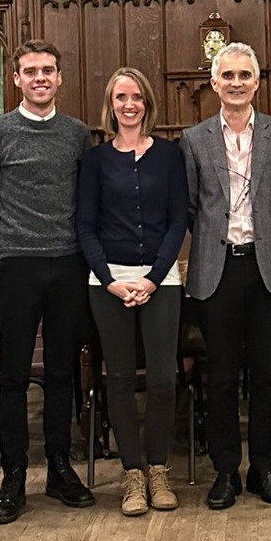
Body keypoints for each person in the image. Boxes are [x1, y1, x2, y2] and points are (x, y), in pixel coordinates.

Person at [0, 41, 93, 525]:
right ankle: (14, 476)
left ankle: (60, 468)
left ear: (59, 77)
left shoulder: (77, 134)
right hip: (17, 265)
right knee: (14, 375)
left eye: (48, 70)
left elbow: (86, 200)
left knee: (63, 372)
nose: (40, 78)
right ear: (17, 79)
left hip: (67, 263)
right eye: (31, 71)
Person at [181, 42, 271, 510]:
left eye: (244, 75)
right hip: (217, 269)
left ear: (257, 82)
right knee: (222, 375)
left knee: (267, 374)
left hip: (266, 267)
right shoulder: (194, 139)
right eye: (227, 75)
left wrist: (265, 237)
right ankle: (226, 469)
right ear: (214, 83)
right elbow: (192, 207)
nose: (236, 83)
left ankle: (263, 468)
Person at [77, 67, 188, 517]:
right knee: (119, 379)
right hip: (108, 282)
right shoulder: (95, 160)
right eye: (121, 97)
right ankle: (132, 474)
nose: (129, 104)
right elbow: (85, 227)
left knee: (162, 378)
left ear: (147, 103)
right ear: (111, 104)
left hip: (160, 281)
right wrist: (110, 280)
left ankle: (158, 469)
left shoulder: (169, 155)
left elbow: (178, 221)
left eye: (136, 97)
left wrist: (152, 278)